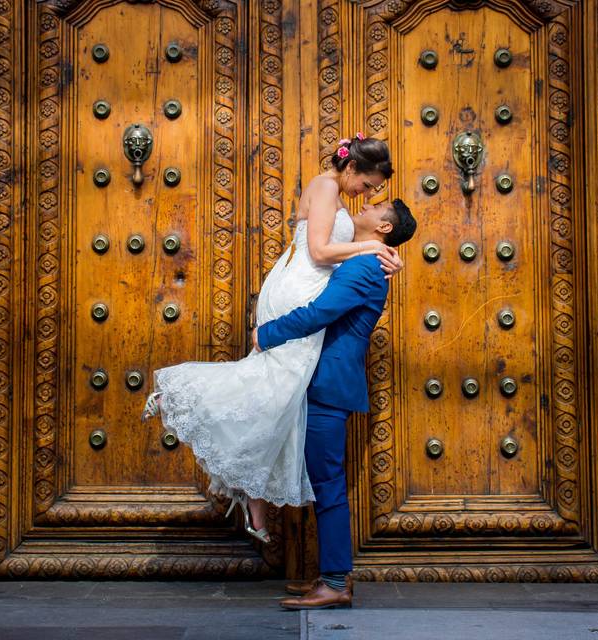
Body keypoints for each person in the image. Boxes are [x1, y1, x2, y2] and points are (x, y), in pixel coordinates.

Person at [142, 135, 402, 543]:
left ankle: (252, 497)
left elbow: (352, 246)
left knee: (281, 395)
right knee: (279, 384)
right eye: (367, 184)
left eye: (372, 193)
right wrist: (372, 244)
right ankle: (175, 393)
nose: (366, 194)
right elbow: (319, 251)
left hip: (303, 285)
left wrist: (385, 251)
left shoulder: (338, 196)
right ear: (351, 168)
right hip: (300, 287)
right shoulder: (326, 185)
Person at [252, 198, 417, 609]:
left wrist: (267, 333)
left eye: (376, 205)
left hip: (328, 381)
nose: (365, 204)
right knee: (320, 480)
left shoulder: (365, 267)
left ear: (383, 227)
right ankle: (329, 576)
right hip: (316, 378)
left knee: (327, 483)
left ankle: (335, 582)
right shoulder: (362, 258)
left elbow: (322, 311)